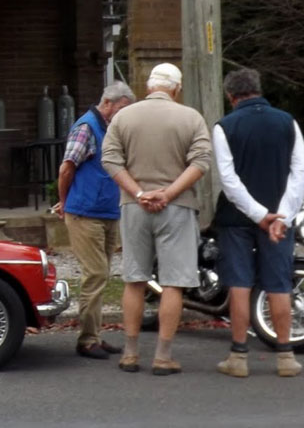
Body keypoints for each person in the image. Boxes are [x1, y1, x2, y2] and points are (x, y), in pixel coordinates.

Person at [101, 62, 212, 376]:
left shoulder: (123, 116)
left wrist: (138, 193)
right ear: (176, 88)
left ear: (149, 87)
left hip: (134, 207)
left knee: (134, 278)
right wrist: (169, 192)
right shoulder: (191, 117)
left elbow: (110, 158)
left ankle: (130, 352)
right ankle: (163, 356)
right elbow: (201, 160)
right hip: (176, 207)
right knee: (174, 282)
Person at [212, 67, 304, 378]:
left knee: (239, 284)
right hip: (280, 218)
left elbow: (228, 180)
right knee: (279, 283)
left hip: (236, 218)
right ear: (258, 89)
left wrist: (257, 214)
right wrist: (281, 215)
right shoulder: (287, 122)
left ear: (231, 96)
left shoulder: (224, 127)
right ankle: (285, 355)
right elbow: (300, 173)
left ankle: (238, 356)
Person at [52, 80, 136, 359]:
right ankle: (87, 340)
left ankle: (95, 336)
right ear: (108, 103)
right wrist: (65, 202)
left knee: (100, 274)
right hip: (85, 213)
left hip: (106, 211)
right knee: (96, 275)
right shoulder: (87, 127)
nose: (124, 114)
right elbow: (67, 168)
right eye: (122, 108)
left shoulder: (109, 128)